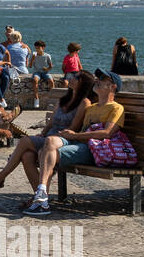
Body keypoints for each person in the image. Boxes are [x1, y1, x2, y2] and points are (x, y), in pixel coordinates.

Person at [28, 69, 129, 215]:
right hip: (82, 144)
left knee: (45, 151)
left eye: (103, 79)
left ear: (113, 87)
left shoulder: (116, 108)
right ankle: (42, 194)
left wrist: (74, 136)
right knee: (47, 145)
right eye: (98, 77)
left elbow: (107, 133)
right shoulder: (92, 108)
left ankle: (41, 200)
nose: (98, 80)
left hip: (96, 150)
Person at [0, 70, 96, 193]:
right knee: (27, 156)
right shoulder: (63, 100)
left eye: (77, 77)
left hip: (64, 140)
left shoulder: (84, 103)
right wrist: (43, 133)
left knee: (25, 141)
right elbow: (50, 122)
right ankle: (39, 197)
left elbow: (73, 128)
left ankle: (0, 178)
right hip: (49, 137)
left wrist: (51, 136)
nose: (72, 78)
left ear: (83, 84)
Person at [27, 40, 53, 107]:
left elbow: (50, 66)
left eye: (38, 48)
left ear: (43, 48)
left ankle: (53, 98)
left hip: (45, 72)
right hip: (37, 72)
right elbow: (30, 66)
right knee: (35, 80)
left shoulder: (47, 56)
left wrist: (47, 69)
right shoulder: (34, 55)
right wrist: (32, 59)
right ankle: (36, 98)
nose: (37, 50)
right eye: (36, 48)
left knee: (51, 81)